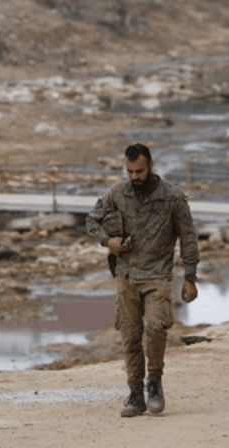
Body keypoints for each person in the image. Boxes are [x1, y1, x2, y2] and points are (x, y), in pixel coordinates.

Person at [86, 143, 200, 418]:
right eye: (129, 171)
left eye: (139, 171)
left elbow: (188, 237)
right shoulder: (117, 194)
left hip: (158, 275)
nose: (134, 177)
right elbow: (91, 220)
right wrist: (108, 241)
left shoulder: (172, 197)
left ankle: (155, 383)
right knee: (130, 336)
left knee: (156, 329)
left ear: (150, 166)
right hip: (126, 276)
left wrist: (190, 278)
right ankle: (135, 393)